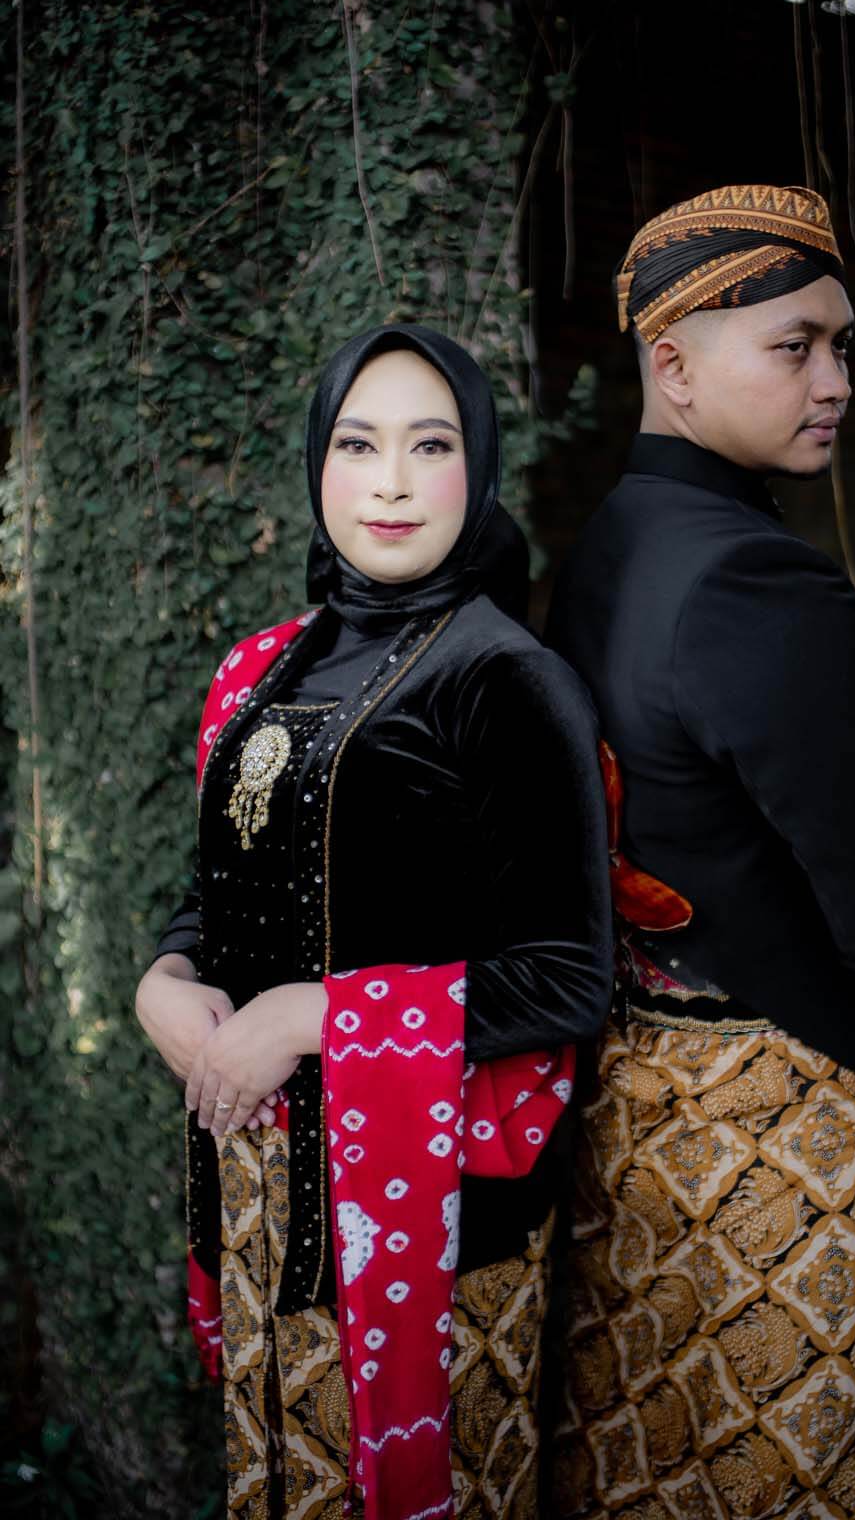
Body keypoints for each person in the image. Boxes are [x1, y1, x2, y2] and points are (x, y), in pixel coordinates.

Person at [546, 185, 855, 1519]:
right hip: (785, 1115)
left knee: (657, 1460)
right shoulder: (755, 580)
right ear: (672, 366)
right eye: (793, 347)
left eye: (839, 346)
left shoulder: (610, 543)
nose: (834, 381)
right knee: (807, 1465)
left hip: (634, 1100)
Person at [135, 323, 613, 1520]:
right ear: (317, 463)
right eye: (357, 444)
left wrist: (314, 1015)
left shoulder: (504, 680)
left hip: (430, 1229)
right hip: (261, 1196)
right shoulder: (265, 667)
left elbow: (568, 976)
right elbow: (220, 887)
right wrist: (164, 976)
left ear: (477, 465)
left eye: (429, 444)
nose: (389, 482)